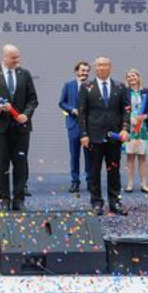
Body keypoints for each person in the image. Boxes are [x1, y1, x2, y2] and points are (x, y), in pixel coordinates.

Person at [0, 45, 38, 212]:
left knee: (20, 164)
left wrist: (26, 115)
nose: (17, 60)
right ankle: (4, 200)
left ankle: (19, 200)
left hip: (21, 128)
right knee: (2, 165)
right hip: (0, 128)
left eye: (18, 57)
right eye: (14, 58)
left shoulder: (25, 74)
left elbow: (33, 100)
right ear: (4, 57)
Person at [78, 57, 131, 216]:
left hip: (114, 136)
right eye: (99, 65)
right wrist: (83, 134)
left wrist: (125, 129)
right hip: (93, 136)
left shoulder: (120, 87)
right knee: (94, 171)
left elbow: (126, 110)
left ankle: (115, 202)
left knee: (114, 170)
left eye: (105, 65)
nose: (102, 68)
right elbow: (82, 112)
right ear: (95, 68)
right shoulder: (86, 87)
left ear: (110, 67)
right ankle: (96, 202)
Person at [58, 61, 91, 194]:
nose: (85, 73)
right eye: (83, 70)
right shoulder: (68, 85)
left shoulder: (92, 85)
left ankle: (90, 181)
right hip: (73, 124)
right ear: (76, 71)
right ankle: (75, 181)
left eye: (87, 71)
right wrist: (72, 110)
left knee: (89, 155)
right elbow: (61, 103)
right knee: (74, 155)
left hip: (89, 126)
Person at [122, 68, 148, 194]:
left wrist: (146, 116)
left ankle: (144, 184)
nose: (131, 78)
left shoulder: (146, 91)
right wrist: (129, 118)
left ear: (138, 77)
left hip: (143, 128)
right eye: (129, 76)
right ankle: (130, 184)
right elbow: (121, 109)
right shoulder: (124, 92)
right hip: (130, 127)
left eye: (133, 76)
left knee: (142, 157)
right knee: (130, 157)